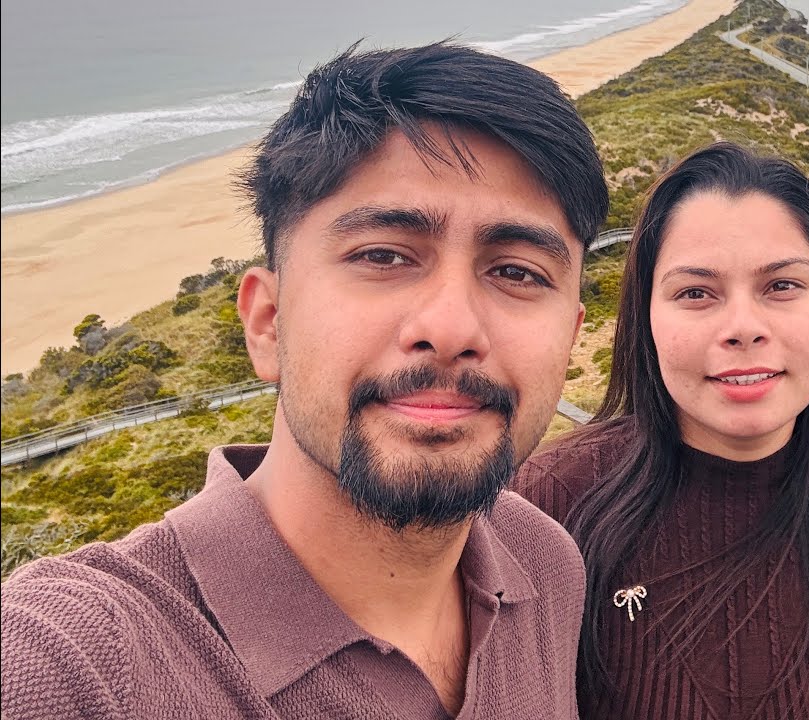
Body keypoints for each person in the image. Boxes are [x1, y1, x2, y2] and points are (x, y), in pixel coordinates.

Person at [0, 42, 609, 719]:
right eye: (384, 256)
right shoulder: (70, 662)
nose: (451, 327)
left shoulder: (544, 564)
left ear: (570, 336)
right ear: (267, 323)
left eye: (517, 272)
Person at [514, 143, 809, 719]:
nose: (743, 327)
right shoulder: (550, 503)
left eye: (782, 286)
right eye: (696, 293)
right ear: (647, 322)